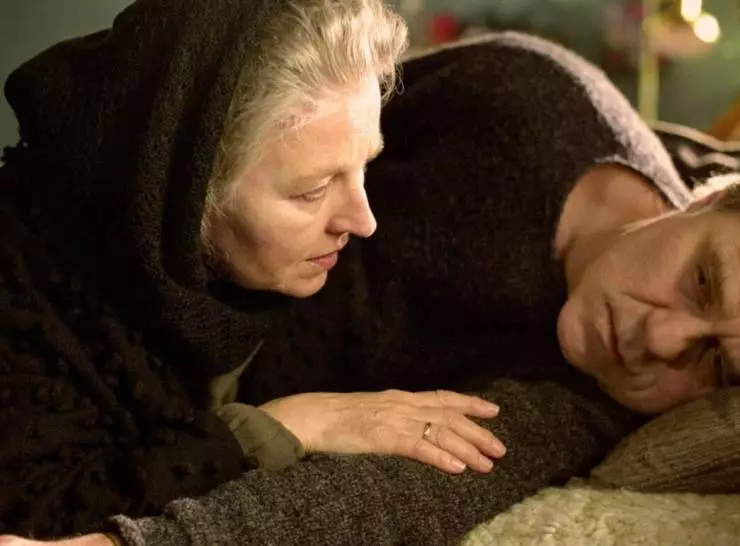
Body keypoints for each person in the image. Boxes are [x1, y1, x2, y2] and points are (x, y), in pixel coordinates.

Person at [3, 0, 740, 545]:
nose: (659, 338)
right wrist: (290, 423)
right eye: (701, 281)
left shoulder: (608, 392)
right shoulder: (512, 100)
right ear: (704, 199)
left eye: (717, 361)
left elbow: (400, 489)